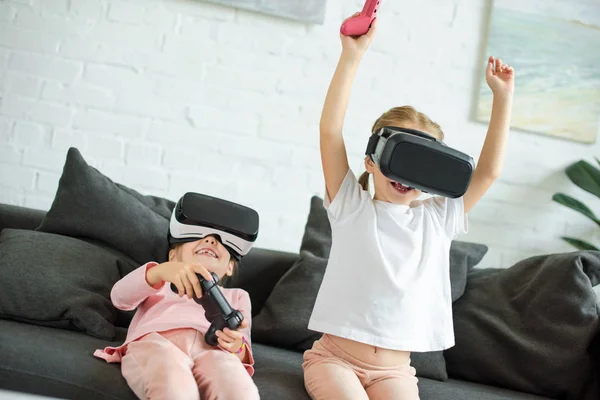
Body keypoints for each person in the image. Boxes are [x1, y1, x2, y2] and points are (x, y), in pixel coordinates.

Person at [303, 13, 515, 400]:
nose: (407, 176)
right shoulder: (351, 207)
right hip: (335, 361)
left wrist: (502, 99)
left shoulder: (438, 218)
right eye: (401, 158)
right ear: (372, 161)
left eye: (422, 165)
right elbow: (330, 131)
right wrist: (351, 56)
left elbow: (489, 172)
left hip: (396, 373)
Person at [94, 234, 259, 400]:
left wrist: (237, 346)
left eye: (221, 240)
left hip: (215, 351)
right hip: (157, 342)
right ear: (172, 257)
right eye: (198, 234)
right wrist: (159, 272)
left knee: (239, 391)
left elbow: (243, 349)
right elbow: (119, 298)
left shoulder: (238, 296)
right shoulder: (160, 282)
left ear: (229, 267)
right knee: (173, 382)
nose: (210, 240)